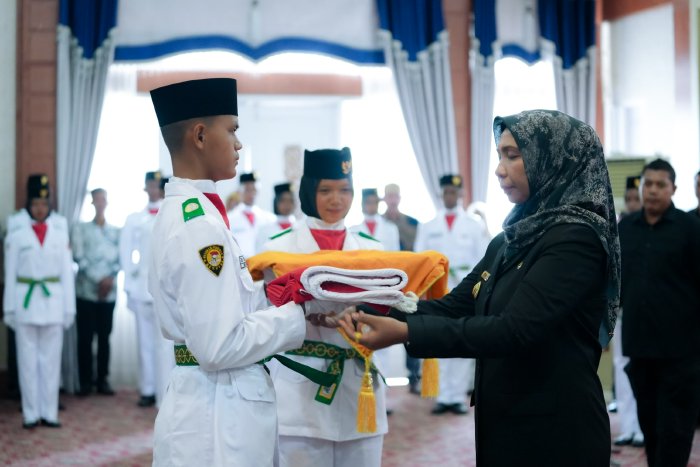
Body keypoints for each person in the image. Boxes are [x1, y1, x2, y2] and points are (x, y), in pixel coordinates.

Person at [339, 110, 617, 466]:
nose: (500, 169)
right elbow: (454, 305)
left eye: (513, 156)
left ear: (553, 160)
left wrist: (405, 332)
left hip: (555, 428)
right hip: (504, 420)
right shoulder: (511, 238)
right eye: (499, 155)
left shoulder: (576, 240)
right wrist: (373, 310)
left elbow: (514, 330)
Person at [148, 77, 308, 466]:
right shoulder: (197, 225)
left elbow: (225, 305)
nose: (239, 144)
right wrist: (297, 317)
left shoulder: (198, 212)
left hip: (217, 402)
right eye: (232, 130)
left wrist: (276, 292)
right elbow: (219, 345)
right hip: (217, 414)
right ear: (200, 135)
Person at [262, 147, 387, 467]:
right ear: (308, 191)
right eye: (326, 190)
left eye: (345, 190)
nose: (337, 199)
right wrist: (311, 315)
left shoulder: (373, 250)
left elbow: (389, 305)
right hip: (300, 384)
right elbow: (266, 313)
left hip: (358, 384)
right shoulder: (278, 247)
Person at [618, 158, 700, 467]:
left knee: (675, 433)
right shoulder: (626, 227)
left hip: (682, 356)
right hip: (640, 351)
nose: (652, 191)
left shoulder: (691, 229)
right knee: (650, 429)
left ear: (673, 189)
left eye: (660, 185)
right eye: (647, 184)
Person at [3, 174, 75, 428]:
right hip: (25, 303)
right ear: (29, 206)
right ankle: (30, 413)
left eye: (44, 204)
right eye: (35, 204)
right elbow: (10, 274)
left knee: (50, 361)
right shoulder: (18, 235)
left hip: (54, 304)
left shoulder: (59, 234)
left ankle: (50, 412)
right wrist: (9, 308)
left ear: (49, 206)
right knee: (27, 361)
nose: (40, 208)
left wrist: (69, 309)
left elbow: (66, 274)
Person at [414, 174, 490, 415]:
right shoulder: (427, 226)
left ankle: (457, 396)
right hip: (438, 291)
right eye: (446, 191)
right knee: (438, 339)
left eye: (454, 192)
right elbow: (420, 257)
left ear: (460, 194)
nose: (450, 196)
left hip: (466, 291)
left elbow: (483, 259)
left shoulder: (473, 225)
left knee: (462, 339)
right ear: (441, 193)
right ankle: (443, 396)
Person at [120, 170, 169, 407]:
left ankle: (165, 388)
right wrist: (128, 287)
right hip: (141, 287)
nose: (153, 188)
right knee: (144, 343)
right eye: (150, 184)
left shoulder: (170, 213)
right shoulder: (134, 218)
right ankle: (148, 388)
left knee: (165, 343)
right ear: (145, 187)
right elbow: (127, 255)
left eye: (157, 184)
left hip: (164, 288)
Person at [71, 188, 121, 397]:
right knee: (85, 338)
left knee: (104, 337)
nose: (100, 203)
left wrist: (109, 280)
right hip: (86, 293)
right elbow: (78, 257)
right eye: (96, 200)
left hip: (108, 294)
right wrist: (98, 280)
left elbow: (121, 259)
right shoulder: (80, 229)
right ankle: (84, 382)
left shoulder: (116, 231)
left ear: (107, 203)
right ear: (91, 202)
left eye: (103, 200)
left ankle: (102, 380)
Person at [610, 174, 644, 447]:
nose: (633, 204)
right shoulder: (620, 229)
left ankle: (642, 427)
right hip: (624, 312)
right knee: (621, 368)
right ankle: (629, 426)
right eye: (629, 199)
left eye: (637, 199)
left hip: (649, 314)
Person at [382, 183, 421, 393]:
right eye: (389, 196)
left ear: (400, 197)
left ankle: (414, 375)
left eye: (395, 195)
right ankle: (382, 378)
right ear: (384, 198)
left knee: (410, 328)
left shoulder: (412, 223)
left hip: (409, 284)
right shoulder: (377, 223)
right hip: (384, 284)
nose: (392, 199)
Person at [228, 171, 276, 257]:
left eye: (254, 190)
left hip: (263, 265)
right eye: (247, 190)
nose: (251, 194)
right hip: (241, 265)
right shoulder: (230, 219)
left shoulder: (269, 218)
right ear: (239, 191)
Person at [255, 182, 297, 252]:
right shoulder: (265, 230)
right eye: (283, 200)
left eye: (290, 201)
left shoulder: (300, 227)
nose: (287, 204)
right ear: (276, 202)